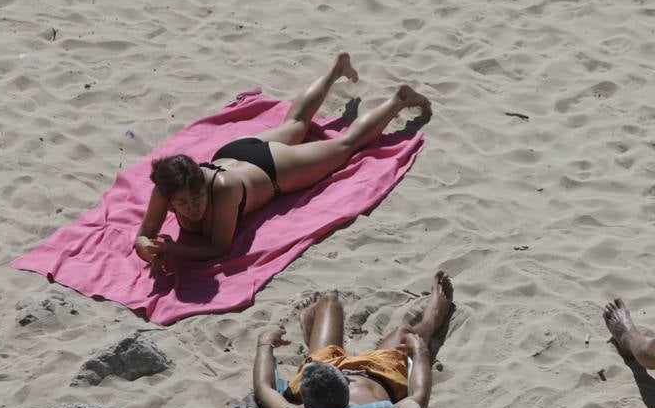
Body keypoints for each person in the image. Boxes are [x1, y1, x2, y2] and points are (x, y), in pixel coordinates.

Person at [134, 52, 432, 266]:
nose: (193, 207)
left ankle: (399, 100)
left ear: (202, 182)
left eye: (197, 197)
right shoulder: (166, 187)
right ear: (171, 200)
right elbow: (143, 235)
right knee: (297, 125)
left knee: (346, 145)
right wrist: (146, 246)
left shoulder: (222, 189)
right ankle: (337, 68)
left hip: (273, 170)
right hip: (233, 152)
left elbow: (219, 247)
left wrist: (176, 250)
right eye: (184, 204)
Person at [252, 270, 455, 408]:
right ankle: (432, 318)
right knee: (404, 333)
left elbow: (263, 387)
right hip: (380, 374)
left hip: (322, 372)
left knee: (329, 301)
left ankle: (313, 339)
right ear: (347, 380)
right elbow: (420, 395)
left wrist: (264, 344)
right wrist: (420, 351)